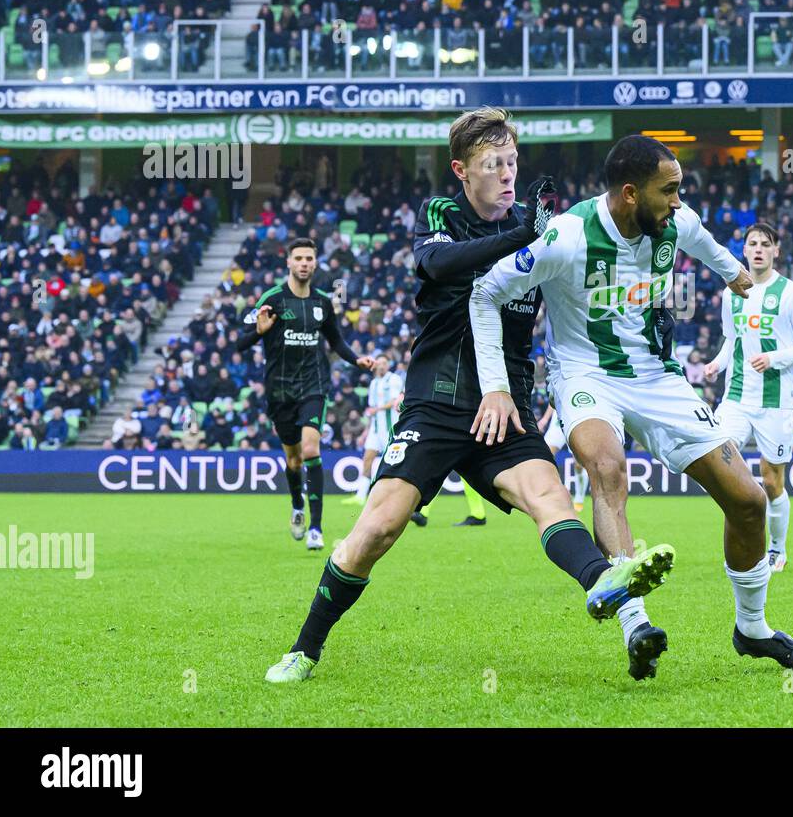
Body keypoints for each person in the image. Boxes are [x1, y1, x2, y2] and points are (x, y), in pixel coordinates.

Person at [264, 108, 674, 684]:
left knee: (551, 499)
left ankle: (620, 605)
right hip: (437, 401)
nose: (507, 175)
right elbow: (433, 263)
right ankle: (304, 650)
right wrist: (519, 235)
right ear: (461, 171)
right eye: (492, 165)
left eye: (511, 162)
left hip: (506, 404)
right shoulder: (444, 215)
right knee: (380, 527)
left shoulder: (543, 231)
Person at [470, 135, 793, 681]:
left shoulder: (675, 223)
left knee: (750, 501)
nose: (679, 202)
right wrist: (495, 384)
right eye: (671, 190)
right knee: (608, 470)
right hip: (587, 376)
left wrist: (734, 273)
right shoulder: (566, 237)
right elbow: (485, 292)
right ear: (631, 193)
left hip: (661, 380)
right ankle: (636, 623)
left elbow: (706, 243)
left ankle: (752, 629)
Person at [237, 238, 376, 550]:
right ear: (288, 262)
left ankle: (316, 528)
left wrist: (358, 360)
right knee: (294, 459)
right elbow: (238, 343)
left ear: (315, 263)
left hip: (313, 386)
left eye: (309, 258)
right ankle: (297, 504)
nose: (303, 263)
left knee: (311, 450)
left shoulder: (323, 302)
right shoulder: (272, 299)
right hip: (279, 390)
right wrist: (258, 332)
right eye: (298, 258)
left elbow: (336, 341)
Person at [704, 223, 793, 572]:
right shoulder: (732, 290)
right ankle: (742, 532)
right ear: (744, 250)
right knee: (719, 459)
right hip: (737, 395)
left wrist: (774, 358)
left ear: (775, 251)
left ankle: (777, 549)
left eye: (764, 244)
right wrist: (717, 363)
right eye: (752, 243)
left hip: (777, 399)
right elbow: (731, 338)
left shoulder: (792, 293)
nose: (757, 249)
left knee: (772, 481)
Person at [345, 355, 403, 507]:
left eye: (385, 363)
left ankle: (394, 496)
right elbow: (371, 411)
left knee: (392, 462)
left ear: (388, 365)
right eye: (380, 363)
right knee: (367, 459)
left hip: (390, 427)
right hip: (376, 429)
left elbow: (394, 401)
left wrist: (377, 409)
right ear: (375, 365)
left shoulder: (394, 379)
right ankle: (360, 496)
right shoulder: (374, 383)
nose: (382, 366)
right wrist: (365, 432)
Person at [539, 404, 590, 513]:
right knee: (545, 456)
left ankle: (579, 497)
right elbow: (552, 398)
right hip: (558, 420)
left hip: (575, 419)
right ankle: (553, 495)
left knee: (579, 464)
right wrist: (545, 419)